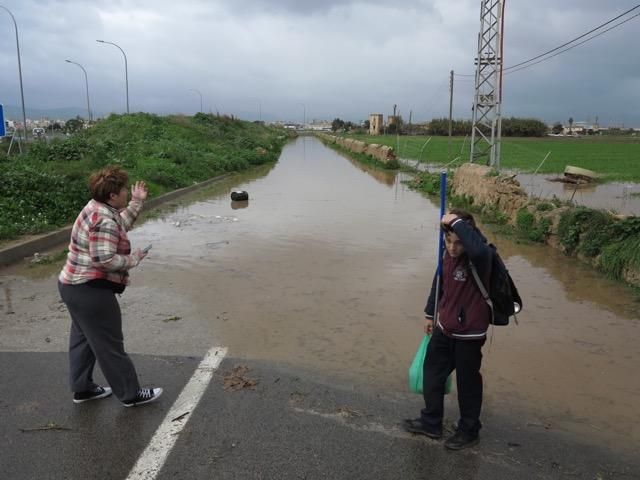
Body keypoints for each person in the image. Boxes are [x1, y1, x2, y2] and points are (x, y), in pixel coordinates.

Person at [58, 166, 163, 407]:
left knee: (83, 340)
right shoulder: (104, 218)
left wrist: (136, 203)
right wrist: (132, 259)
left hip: (72, 285)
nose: (127, 192)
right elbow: (104, 259)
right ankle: (131, 394)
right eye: (124, 190)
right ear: (113, 196)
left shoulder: (98, 207)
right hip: (90, 290)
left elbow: (119, 224)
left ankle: (82, 389)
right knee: (109, 344)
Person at [404, 209, 492, 450]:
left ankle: (469, 431)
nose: (452, 248)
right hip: (445, 328)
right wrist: (430, 313)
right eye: (448, 241)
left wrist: (455, 221)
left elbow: (479, 249)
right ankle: (431, 422)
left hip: (470, 335)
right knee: (432, 373)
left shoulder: (481, 258)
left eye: (459, 242)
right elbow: (438, 284)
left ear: (469, 236)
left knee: (468, 384)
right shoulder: (446, 255)